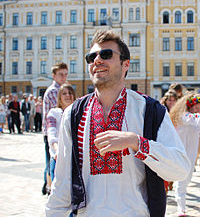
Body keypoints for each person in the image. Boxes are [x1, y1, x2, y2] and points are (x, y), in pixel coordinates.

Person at [46, 29, 190, 217]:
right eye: (91, 57)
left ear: (125, 64)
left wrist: (137, 143)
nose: (97, 60)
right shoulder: (73, 114)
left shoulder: (150, 111)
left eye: (106, 54)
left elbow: (180, 169)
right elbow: (63, 182)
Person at [170, 93, 200, 216]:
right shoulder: (183, 116)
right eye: (196, 108)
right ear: (190, 106)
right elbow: (194, 118)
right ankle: (181, 208)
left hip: (191, 153)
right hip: (179, 151)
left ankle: (180, 196)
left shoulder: (198, 118)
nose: (199, 110)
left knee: (187, 178)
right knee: (182, 178)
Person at [42, 62, 68, 195]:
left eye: (65, 74)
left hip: (56, 131)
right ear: (54, 76)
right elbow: (60, 108)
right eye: (61, 75)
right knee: (51, 160)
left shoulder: (61, 89)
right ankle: (49, 187)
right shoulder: (54, 91)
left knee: (52, 160)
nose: (64, 77)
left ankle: (47, 185)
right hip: (51, 132)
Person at [47, 84, 76, 182]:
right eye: (64, 93)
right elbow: (51, 133)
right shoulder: (54, 113)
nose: (68, 95)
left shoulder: (77, 113)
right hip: (57, 157)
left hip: (73, 157)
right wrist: (57, 150)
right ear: (59, 98)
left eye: (70, 93)